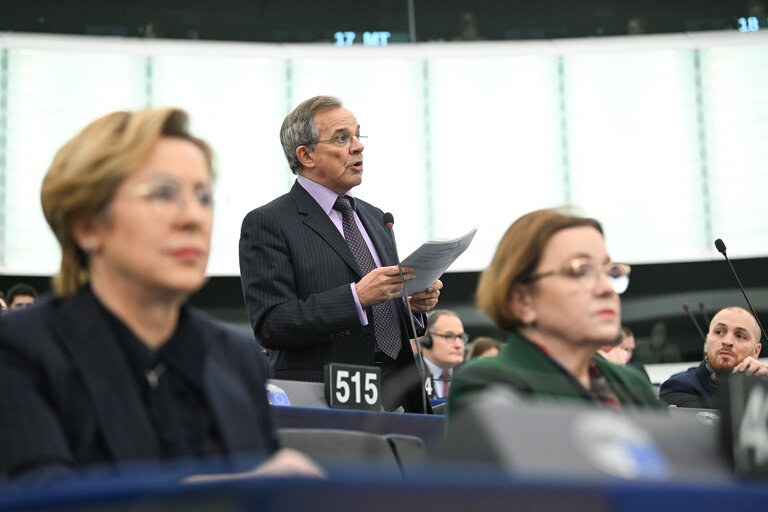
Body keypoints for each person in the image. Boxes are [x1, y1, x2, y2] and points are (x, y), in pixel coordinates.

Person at [0, 108, 319, 480]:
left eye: (203, 197)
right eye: (164, 193)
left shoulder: (238, 360)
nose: (193, 217)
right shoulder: (21, 351)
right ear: (87, 224)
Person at [239, 95, 442, 413]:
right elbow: (271, 323)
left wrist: (410, 305)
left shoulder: (375, 217)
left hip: (399, 392)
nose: (358, 147)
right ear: (306, 155)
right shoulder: (269, 222)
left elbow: (386, 315)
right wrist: (356, 298)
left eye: (358, 135)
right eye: (342, 138)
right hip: (325, 398)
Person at [447, 209, 663, 422]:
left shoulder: (633, 384)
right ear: (523, 301)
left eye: (609, 271)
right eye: (580, 271)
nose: (606, 288)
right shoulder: (489, 384)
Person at [660, 306, 766, 409]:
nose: (727, 342)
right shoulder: (679, 387)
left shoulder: (763, 388)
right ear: (706, 343)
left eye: (740, 336)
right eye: (719, 332)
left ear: (756, 351)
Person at [420, 310, 466, 399]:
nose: (458, 345)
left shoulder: (473, 373)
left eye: (460, 337)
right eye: (448, 336)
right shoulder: (405, 375)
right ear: (427, 340)